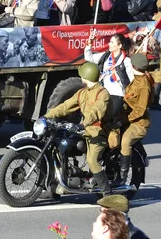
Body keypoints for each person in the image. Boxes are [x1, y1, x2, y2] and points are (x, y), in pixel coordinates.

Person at [45, 62, 112, 195]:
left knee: (92, 160)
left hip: (99, 132)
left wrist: (83, 124)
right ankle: (54, 189)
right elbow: (65, 106)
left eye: (82, 74)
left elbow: (96, 112)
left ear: (86, 76)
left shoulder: (102, 94)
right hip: (85, 131)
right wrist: (46, 116)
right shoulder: (82, 93)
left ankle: (107, 193)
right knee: (57, 148)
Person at [113, 53, 151, 187]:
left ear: (134, 66)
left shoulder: (143, 85)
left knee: (125, 141)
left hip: (138, 122)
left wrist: (122, 121)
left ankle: (122, 178)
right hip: (126, 117)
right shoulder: (136, 79)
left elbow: (140, 110)